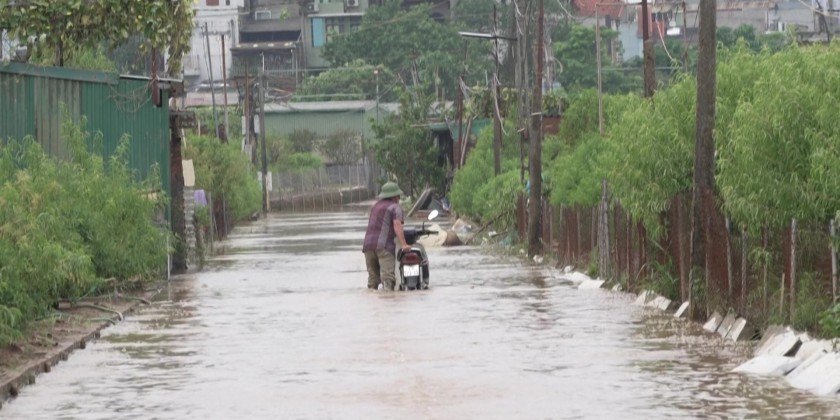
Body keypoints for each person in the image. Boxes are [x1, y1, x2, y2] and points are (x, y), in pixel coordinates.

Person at [363, 181, 411, 290]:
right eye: (398, 196)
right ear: (394, 196)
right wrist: (404, 244)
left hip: (368, 246)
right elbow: (397, 225)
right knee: (388, 279)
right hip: (384, 246)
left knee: (373, 280)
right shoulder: (395, 207)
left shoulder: (375, 206)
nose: (399, 198)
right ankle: (388, 298)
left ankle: (372, 299)